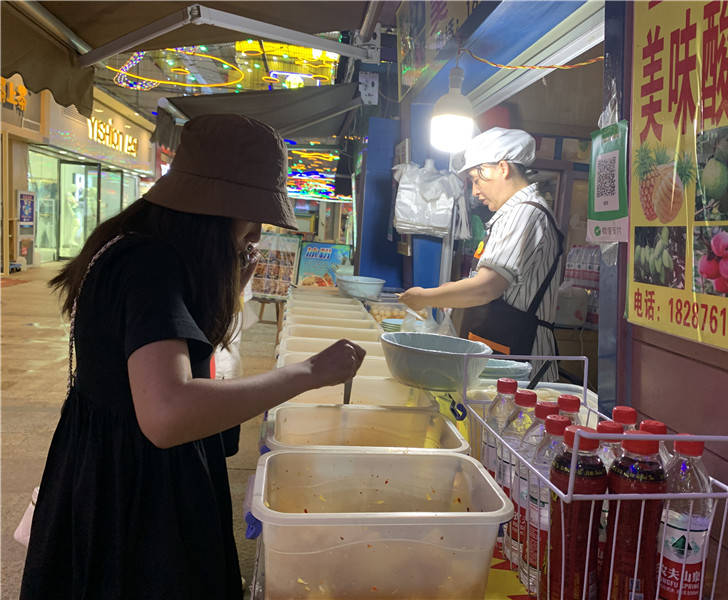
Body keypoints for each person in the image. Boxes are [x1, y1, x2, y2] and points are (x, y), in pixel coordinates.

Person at [20, 114, 365, 599]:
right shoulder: (148, 266)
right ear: (216, 212)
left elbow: (174, 358)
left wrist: (231, 288)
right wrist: (308, 372)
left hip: (112, 473)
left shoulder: (140, 251)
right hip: (134, 494)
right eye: (253, 218)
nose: (257, 235)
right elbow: (167, 414)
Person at [399, 127, 564, 382]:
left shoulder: (525, 213)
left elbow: (487, 287)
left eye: (477, 179)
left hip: (523, 361)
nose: (475, 192)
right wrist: (453, 292)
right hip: (504, 351)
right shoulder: (512, 214)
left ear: (503, 168)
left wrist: (425, 297)